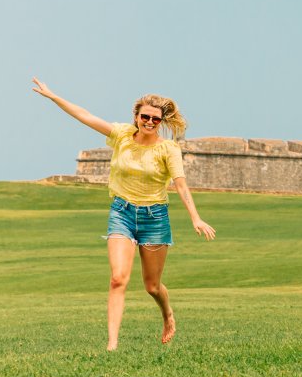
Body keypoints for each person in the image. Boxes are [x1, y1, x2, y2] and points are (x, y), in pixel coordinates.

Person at [31, 78, 216, 350]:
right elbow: (85, 115)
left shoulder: (168, 149)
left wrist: (195, 218)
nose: (149, 122)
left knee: (152, 287)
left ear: (162, 121)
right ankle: (112, 344)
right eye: (145, 117)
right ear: (136, 116)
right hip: (122, 213)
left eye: (155, 118)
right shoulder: (121, 135)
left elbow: (180, 184)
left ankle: (167, 314)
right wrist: (53, 96)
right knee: (118, 278)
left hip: (155, 218)